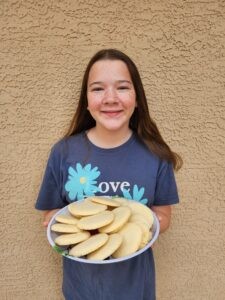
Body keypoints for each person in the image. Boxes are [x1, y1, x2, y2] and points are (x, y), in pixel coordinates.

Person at [35, 48, 182, 300]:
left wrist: (148, 229)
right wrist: (56, 224)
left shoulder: (155, 154)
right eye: (98, 88)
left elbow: (163, 214)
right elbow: (51, 214)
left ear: (137, 98)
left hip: (137, 290)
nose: (110, 98)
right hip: (80, 290)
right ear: (86, 100)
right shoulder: (63, 152)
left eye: (122, 87)